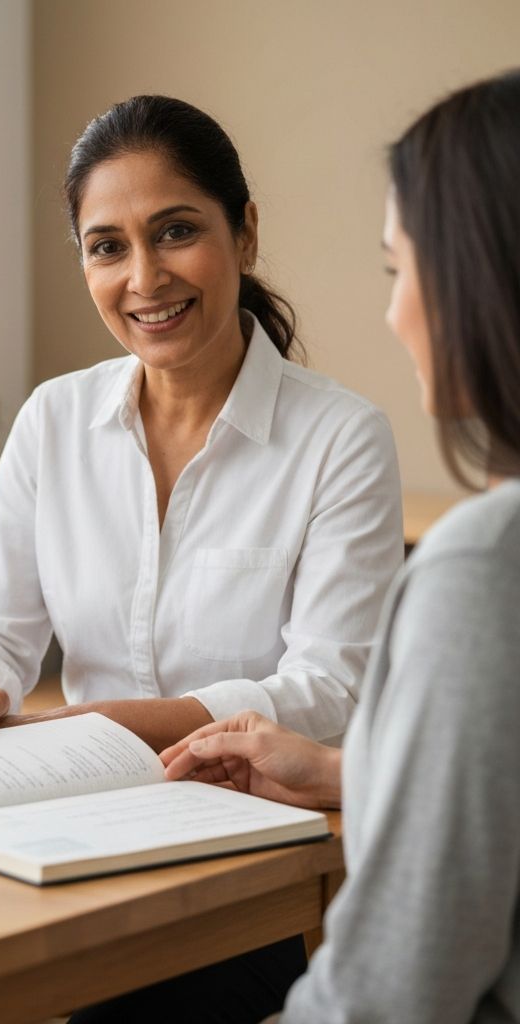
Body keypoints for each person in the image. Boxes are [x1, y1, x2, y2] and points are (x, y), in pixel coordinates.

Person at [150, 69, 520, 1023]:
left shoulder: (485, 564)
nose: (396, 314)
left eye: (403, 271)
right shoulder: (50, 419)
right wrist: (346, 773)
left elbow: (394, 994)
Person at [0, 94, 402, 755]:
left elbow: (333, 689)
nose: (146, 278)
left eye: (176, 232)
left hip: (262, 813)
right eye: (108, 247)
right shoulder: (52, 420)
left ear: (245, 233)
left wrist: (107, 724)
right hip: (84, 798)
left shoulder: (342, 439)